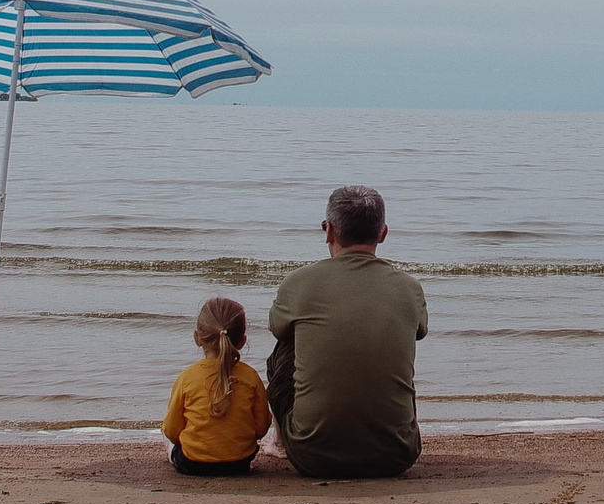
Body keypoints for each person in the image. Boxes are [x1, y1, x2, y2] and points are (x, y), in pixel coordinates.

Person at [265, 185, 429, 479]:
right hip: (396, 454)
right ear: (383, 234)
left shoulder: (298, 283)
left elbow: (277, 328)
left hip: (312, 456)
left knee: (285, 347)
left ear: (329, 231)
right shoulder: (409, 287)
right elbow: (420, 331)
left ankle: (280, 440)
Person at [161, 295, 270, 476]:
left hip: (193, 462)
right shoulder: (251, 376)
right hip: (239, 463)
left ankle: (173, 456)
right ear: (242, 341)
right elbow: (261, 428)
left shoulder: (187, 377)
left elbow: (172, 431)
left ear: (197, 338)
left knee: (164, 431)